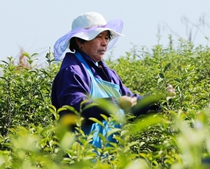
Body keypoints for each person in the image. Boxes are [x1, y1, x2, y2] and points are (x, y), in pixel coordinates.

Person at [51, 12, 160, 148]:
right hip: (79, 159)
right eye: (98, 37)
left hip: (108, 159)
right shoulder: (72, 72)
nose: (104, 43)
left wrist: (158, 99)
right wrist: (114, 103)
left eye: (106, 38)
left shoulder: (108, 73)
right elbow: (74, 111)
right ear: (80, 41)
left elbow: (132, 102)